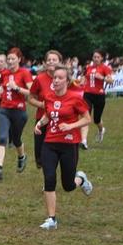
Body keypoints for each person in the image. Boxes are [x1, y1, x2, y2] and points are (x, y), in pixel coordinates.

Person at [30, 65, 94, 230]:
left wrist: (71, 126)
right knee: (49, 179)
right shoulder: (49, 97)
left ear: (67, 80)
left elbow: (87, 119)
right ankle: (52, 219)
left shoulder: (75, 98)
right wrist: (39, 124)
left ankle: (81, 179)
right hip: (50, 143)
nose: (56, 80)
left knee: (68, 186)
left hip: (69, 145)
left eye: (60, 78)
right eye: (55, 78)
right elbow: (49, 114)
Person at [0, 47, 33, 180]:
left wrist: (17, 88)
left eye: (13, 59)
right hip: (4, 110)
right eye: (8, 59)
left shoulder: (25, 73)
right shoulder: (5, 73)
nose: (10, 61)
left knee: (16, 139)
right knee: (2, 138)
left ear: (19, 59)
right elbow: (3, 87)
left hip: (19, 111)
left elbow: (32, 92)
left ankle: (22, 156)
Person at [29, 50, 63, 168]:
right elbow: (30, 98)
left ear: (60, 62)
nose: (51, 62)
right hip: (42, 119)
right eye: (49, 60)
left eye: (54, 60)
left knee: (55, 152)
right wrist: (42, 105)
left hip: (60, 120)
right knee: (40, 155)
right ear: (45, 63)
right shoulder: (40, 79)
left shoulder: (65, 79)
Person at [80, 50, 113, 147]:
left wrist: (102, 78)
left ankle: (101, 130)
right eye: (94, 57)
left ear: (102, 58)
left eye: (98, 57)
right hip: (87, 95)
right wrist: (82, 81)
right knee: (86, 116)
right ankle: (84, 141)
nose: (96, 59)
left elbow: (111, 80)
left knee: (97, 119)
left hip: (99, 96)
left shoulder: (105, 68)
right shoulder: (88, 67)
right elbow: (84, 77)